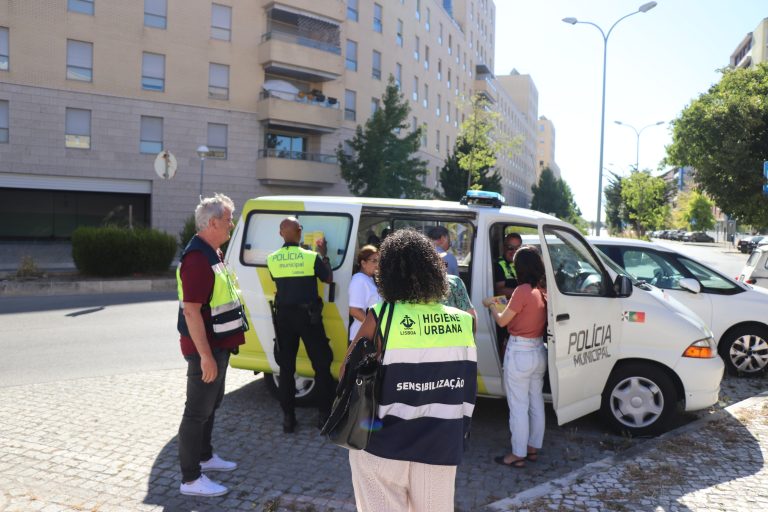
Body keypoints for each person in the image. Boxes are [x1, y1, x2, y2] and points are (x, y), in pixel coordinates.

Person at [348, 229, 477, 511]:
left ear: (387, 273)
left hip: (382, 444)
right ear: (434, 270)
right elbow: (466, 383)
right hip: (441, 444)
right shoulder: (464, 322)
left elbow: (348, 372)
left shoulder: (381, 316)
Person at [176, 193, 248, 497]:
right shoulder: (197, 258)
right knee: (196, 412)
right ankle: (191, 479)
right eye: (228, 219)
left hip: (218, 344)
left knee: (211, 405)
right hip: (204, 349)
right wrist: (205, 356)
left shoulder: (213, 253)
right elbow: (191, 311)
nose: (232, 224)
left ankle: (205, 456)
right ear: (213, 222)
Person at [267, 217, 334, 433]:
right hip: (308, 317)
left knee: (286, 369)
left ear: (280, 234)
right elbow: (328, 278)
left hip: (284, 317)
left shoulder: (272, 259)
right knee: (321, 364)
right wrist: (324, 255)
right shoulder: (311, 256)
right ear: (300, 231)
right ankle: (324, 416)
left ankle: (288, 418)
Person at [483, 246, 547, 469]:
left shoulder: (522, 290)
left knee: (518, 406)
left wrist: (492, 304)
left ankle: (517, 454)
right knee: (536, 402)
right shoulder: (541, 290)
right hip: (538, 350)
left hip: (520, 352)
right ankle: (532, 448)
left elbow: (502, 321)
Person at [348, 245, 381, 343]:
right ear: (363, 263)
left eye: (378, 261)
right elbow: (354, 311)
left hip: (369, 337)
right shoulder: (359, 280)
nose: (377, 264)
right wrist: (376, 327)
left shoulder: (369, 279)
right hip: (361, 339)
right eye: (374, 261)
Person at [494, 232, 522, 298]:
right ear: (504, 248)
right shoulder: (498, 264)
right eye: (510, 248)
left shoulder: (523, 263)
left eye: (518, 248)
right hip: (509, 302)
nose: (514, 251)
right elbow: (500, 291)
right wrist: (525, 293)